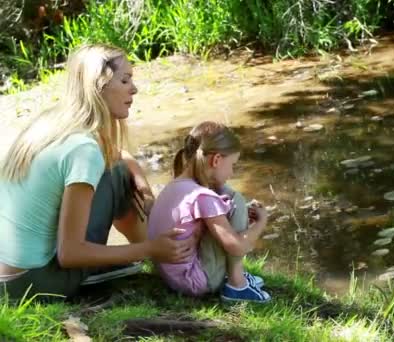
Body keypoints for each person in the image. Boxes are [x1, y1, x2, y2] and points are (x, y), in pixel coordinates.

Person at [0, 44, 198, 299]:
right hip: (31, 284)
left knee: (118, 169)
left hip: (6, 276)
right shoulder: (84, 150)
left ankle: (156, 249)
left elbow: (120, 156)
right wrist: (149, 249)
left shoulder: (53, 122)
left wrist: (146, 192)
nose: (134, 89)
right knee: (117, 177)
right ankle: (161, 258)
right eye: (125, 80)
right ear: (100, 85)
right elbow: (70, 254)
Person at [147, 121, 271, 302]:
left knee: (224, 194)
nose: (231, 172)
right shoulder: (202, 197)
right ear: (216, 160)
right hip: (195, 281)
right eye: (232, 164)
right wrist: (260, 223)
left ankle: (235, 276)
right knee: (235, 199)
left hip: (170, 277)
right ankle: (237, 283)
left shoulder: (174, 186)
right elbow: (235, 245)